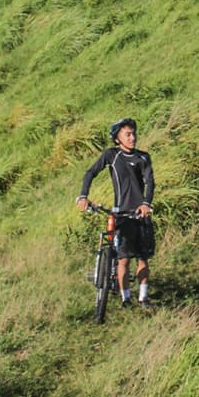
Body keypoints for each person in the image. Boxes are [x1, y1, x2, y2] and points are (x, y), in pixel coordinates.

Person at [77, 118, 155, 307]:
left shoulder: (143, 157)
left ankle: (143, 298)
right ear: (117, 138)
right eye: (127, 134)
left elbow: (150, 182)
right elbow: (90, 173)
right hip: (122, 214)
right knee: (124, 259)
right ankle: (125, 298)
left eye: (133, 133)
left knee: (143, 259)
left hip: (141, 214)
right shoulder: (112, 155)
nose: (132, 137)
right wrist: (83, 196)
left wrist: (146, 203)